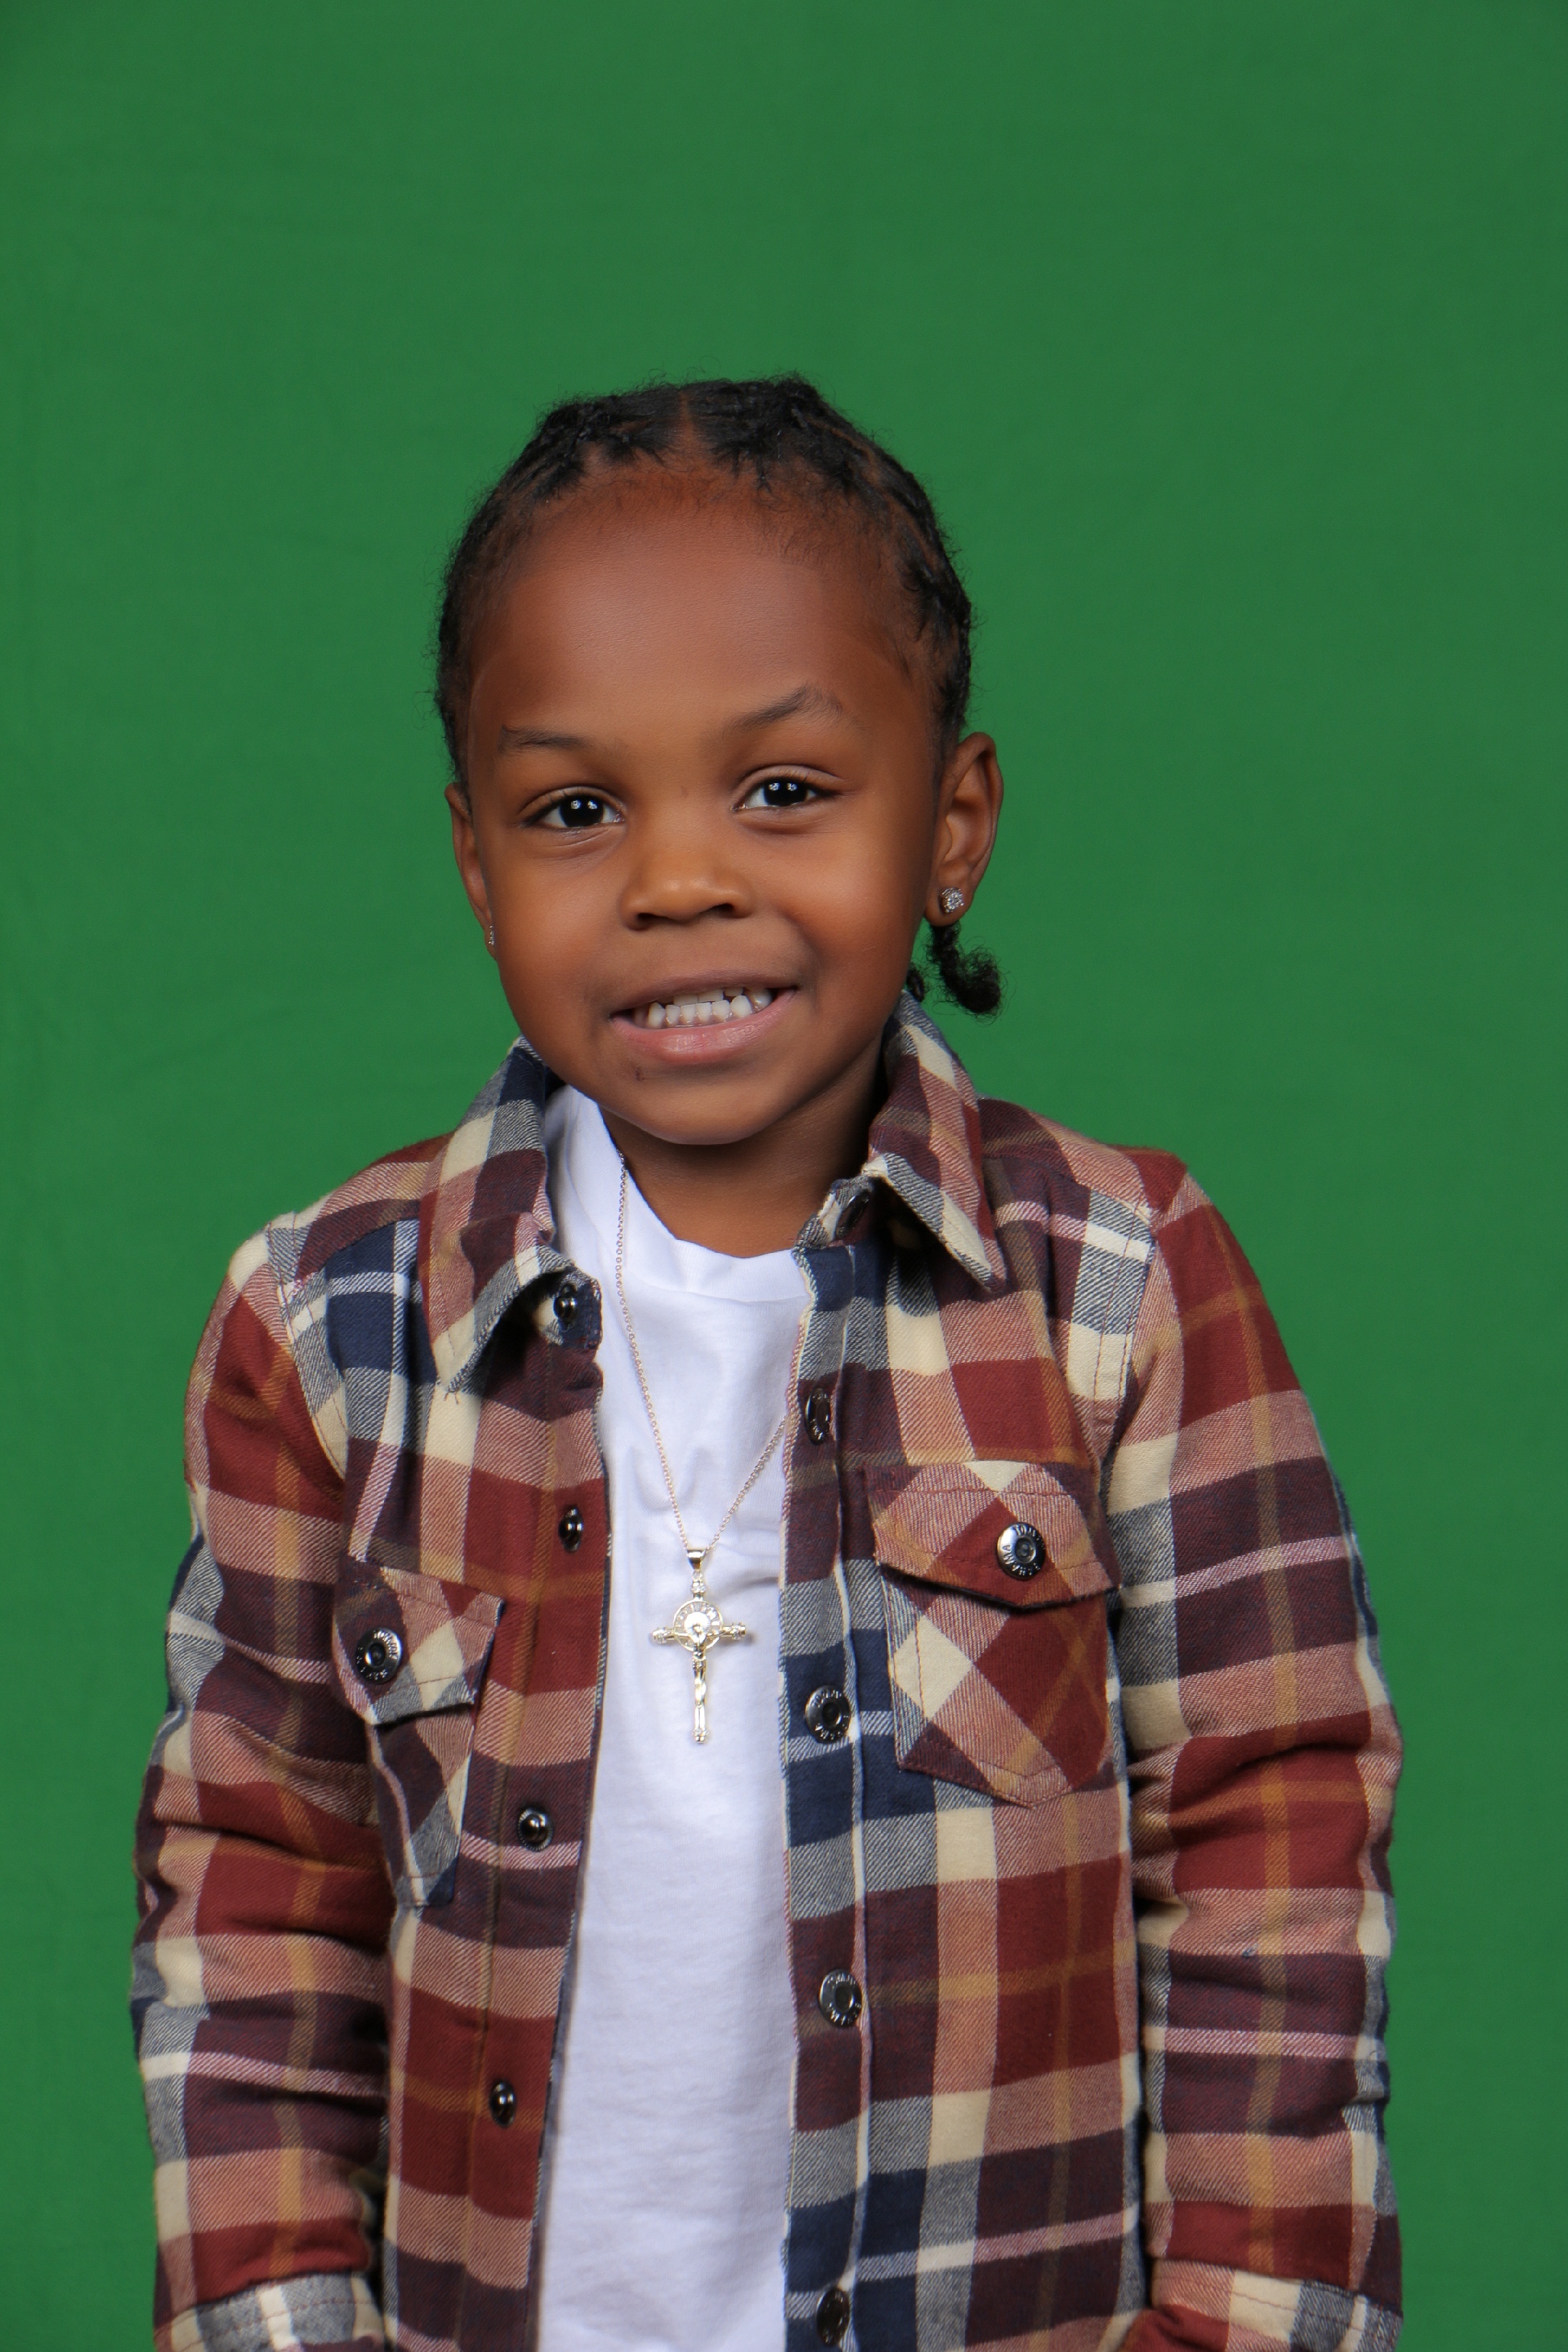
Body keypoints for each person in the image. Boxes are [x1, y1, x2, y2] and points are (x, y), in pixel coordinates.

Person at [132, 376, 1401, 2352]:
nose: (677, 878)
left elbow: (1277, 1866)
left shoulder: (1125, 1288)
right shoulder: (329, 1326)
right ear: (475, 861)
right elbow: (255, 1904)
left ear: (952, 825)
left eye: (784, 790)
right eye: (576, 810)